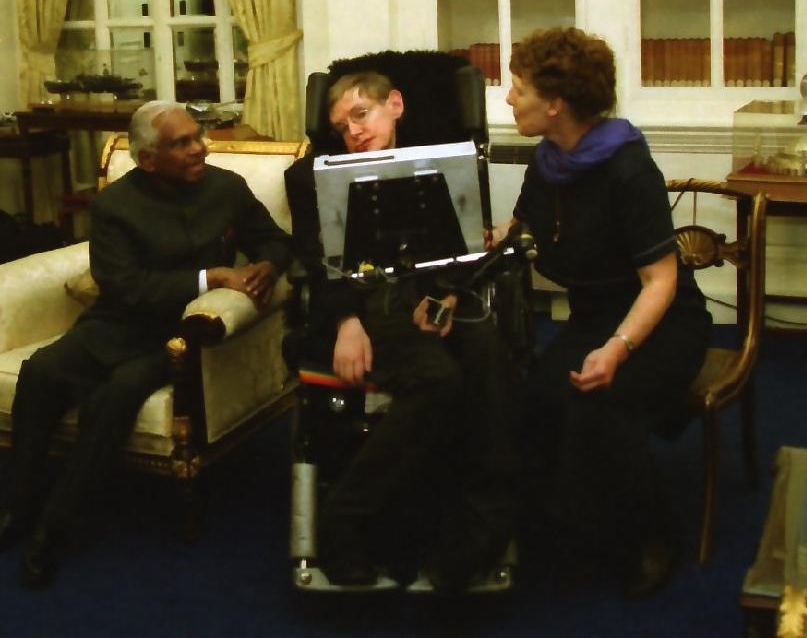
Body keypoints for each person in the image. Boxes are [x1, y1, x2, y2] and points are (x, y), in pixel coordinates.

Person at [0, 100, 292, 588]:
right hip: (116, 323)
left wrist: (268, 264)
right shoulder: (114, 205)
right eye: (183, 143)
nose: (199, 148)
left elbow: (276, 240)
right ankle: (19, 505)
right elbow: (125, 288)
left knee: (113, 398)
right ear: (148, 160)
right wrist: (212, 275)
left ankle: (54, 530)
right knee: (41, 372)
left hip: (178, 333)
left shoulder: (226, 187)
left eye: (197, 136)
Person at [283, 70, 519, 590]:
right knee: (437, 380)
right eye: (342, 126)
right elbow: (317, 261)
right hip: (367, 303)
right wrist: (346, 322)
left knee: (489, 358)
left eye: (361, 114)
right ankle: (345, 520)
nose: (353, 132)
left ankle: (480, 528)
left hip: (438, 293)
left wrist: (448, 294)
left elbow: (468, 247)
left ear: (395, 104)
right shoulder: (311, 177)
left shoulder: (446, 163)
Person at [502, 27, 711, 598]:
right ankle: (562, 532)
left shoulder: (628, 168)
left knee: (601, 401)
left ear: (556, 103)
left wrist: (617, 349)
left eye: (518, 88)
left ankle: (650, 536)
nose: (509, 98)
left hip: (663, 323)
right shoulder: (547, 162)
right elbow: (518, 230)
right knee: (539, 397)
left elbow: (661, 281)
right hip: (596, 317)